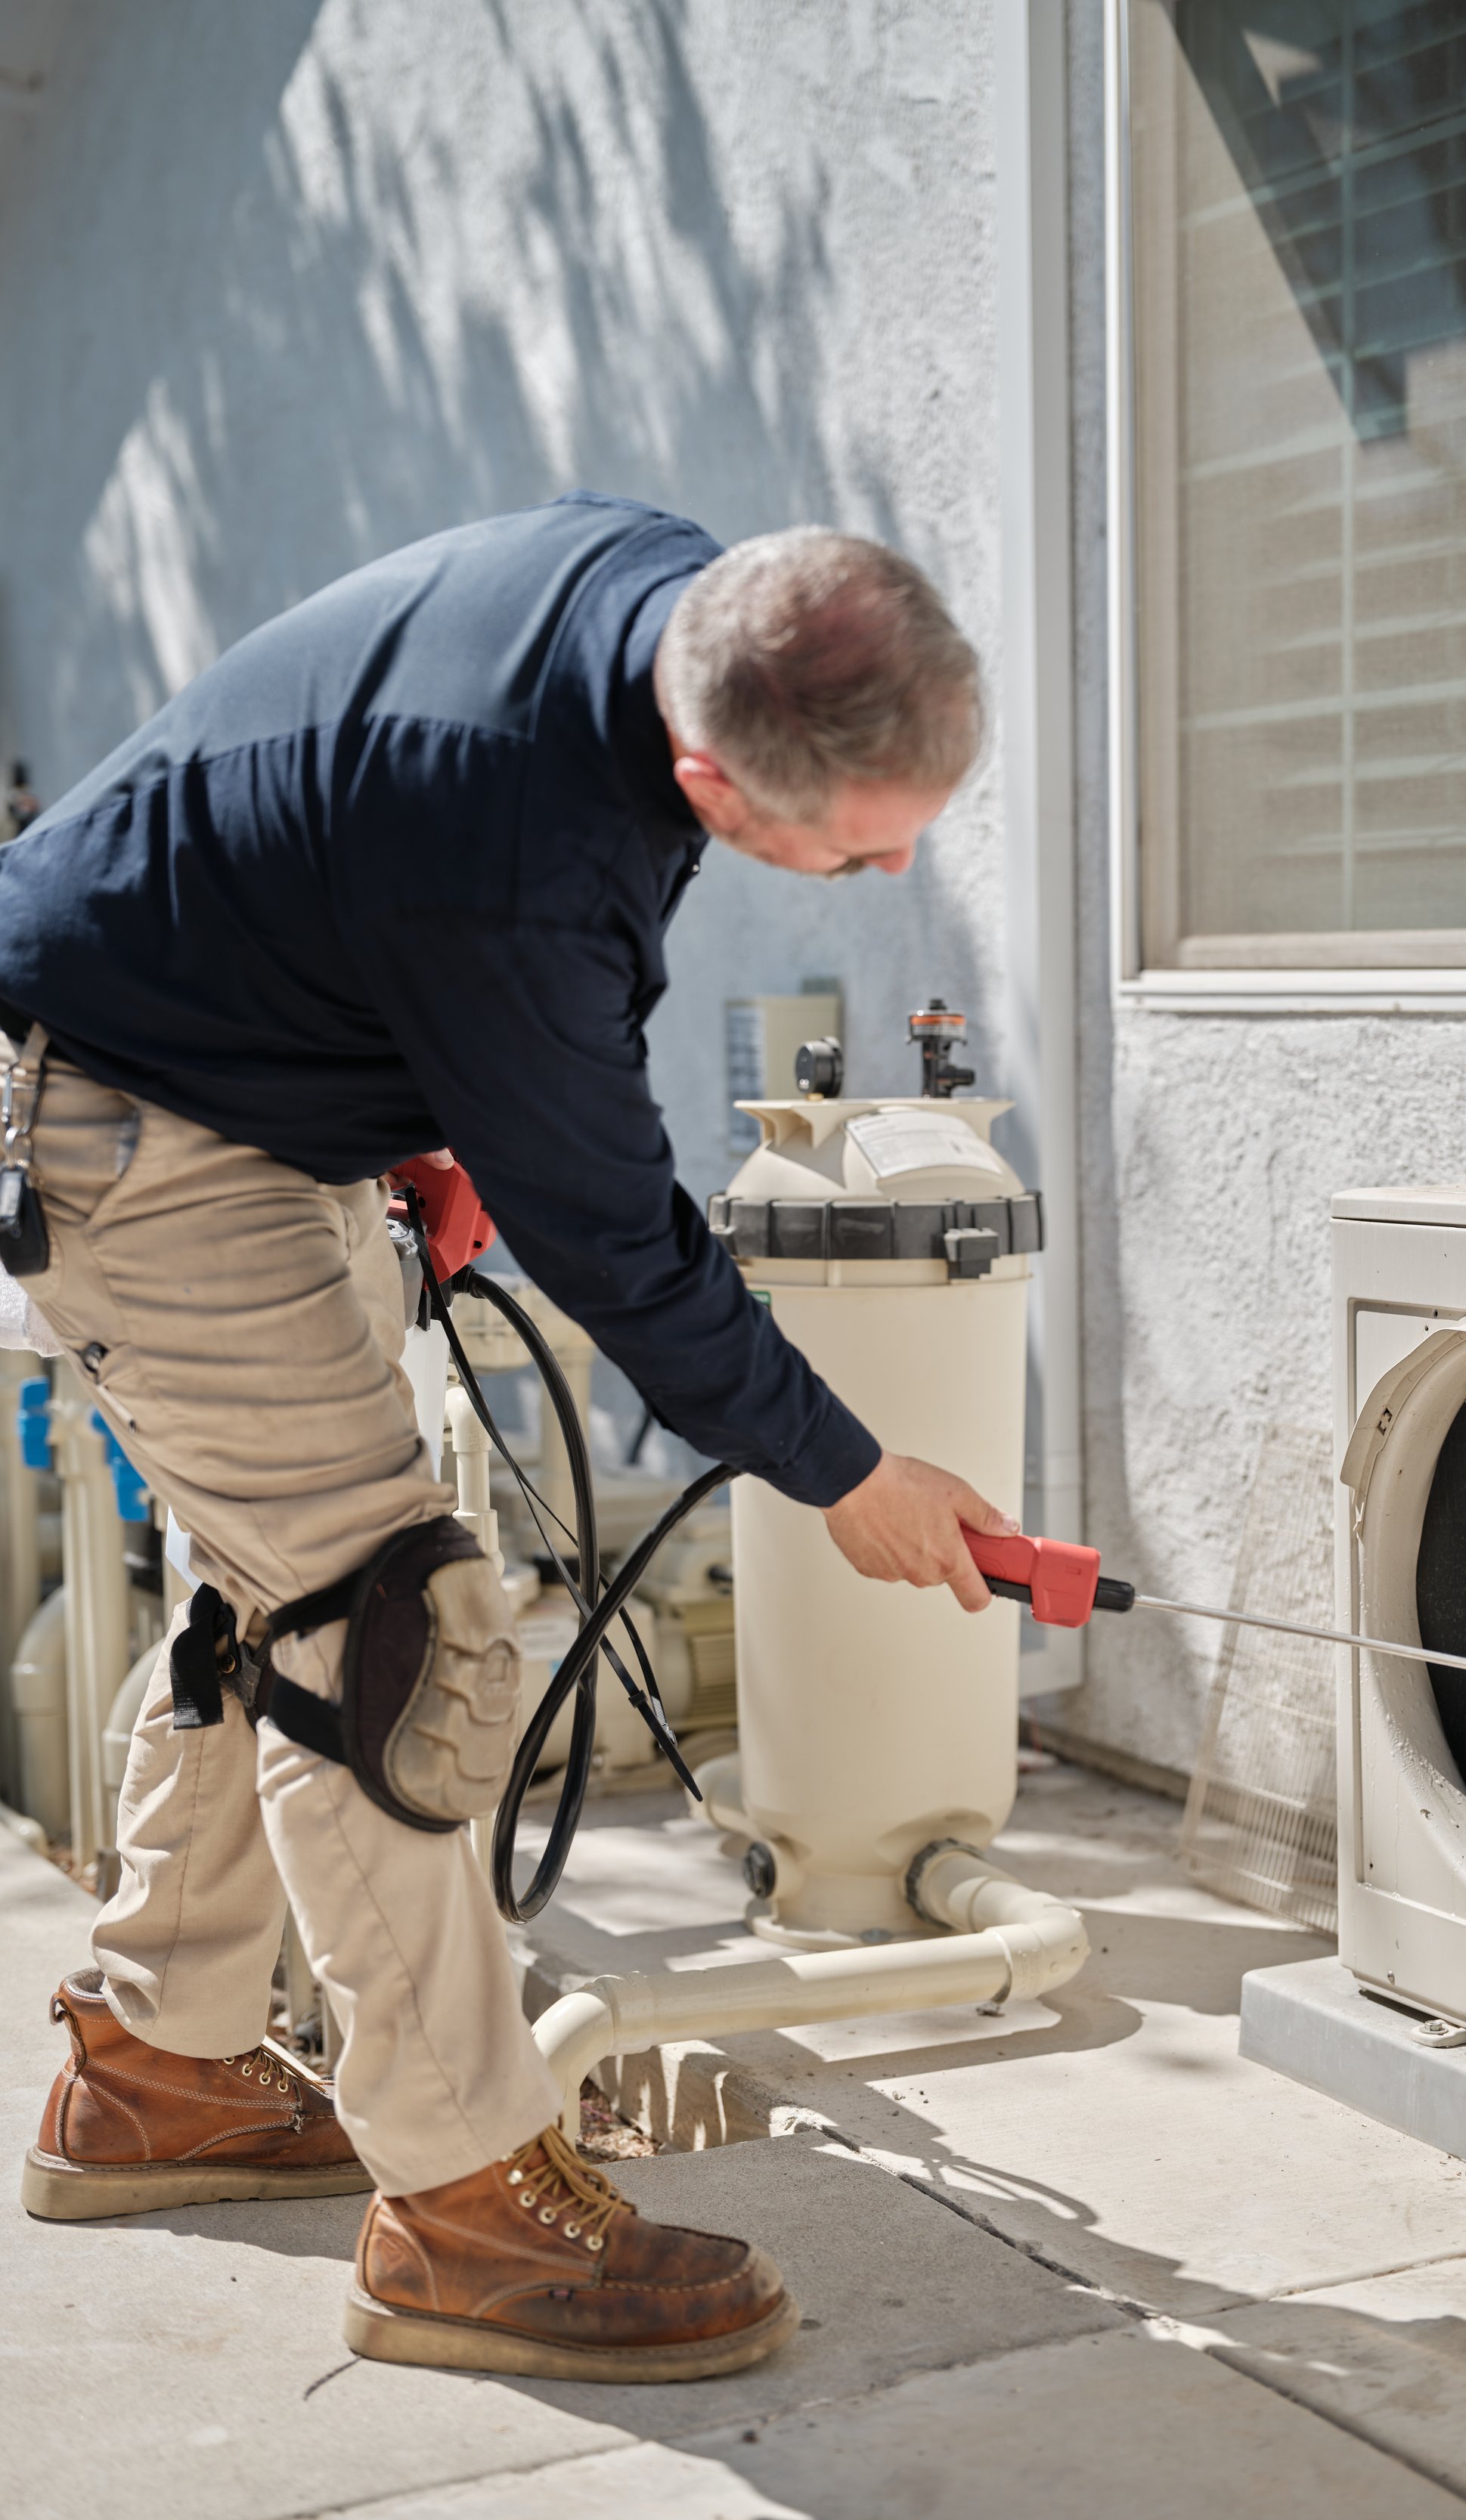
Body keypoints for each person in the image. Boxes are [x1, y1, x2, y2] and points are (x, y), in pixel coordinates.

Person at [0, 494, 1012, 2385]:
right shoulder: (518, 851)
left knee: (273, 1583)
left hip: (214, 1077)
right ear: (707, 769)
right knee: (385, 1624)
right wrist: (849, 1474)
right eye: (853, 854)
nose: (876, 884)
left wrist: (447, 1105)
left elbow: (371, 896)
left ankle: (165, 2064)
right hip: (138, 1124)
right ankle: (465, 2205)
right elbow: (615, 1236)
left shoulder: (661, 597)